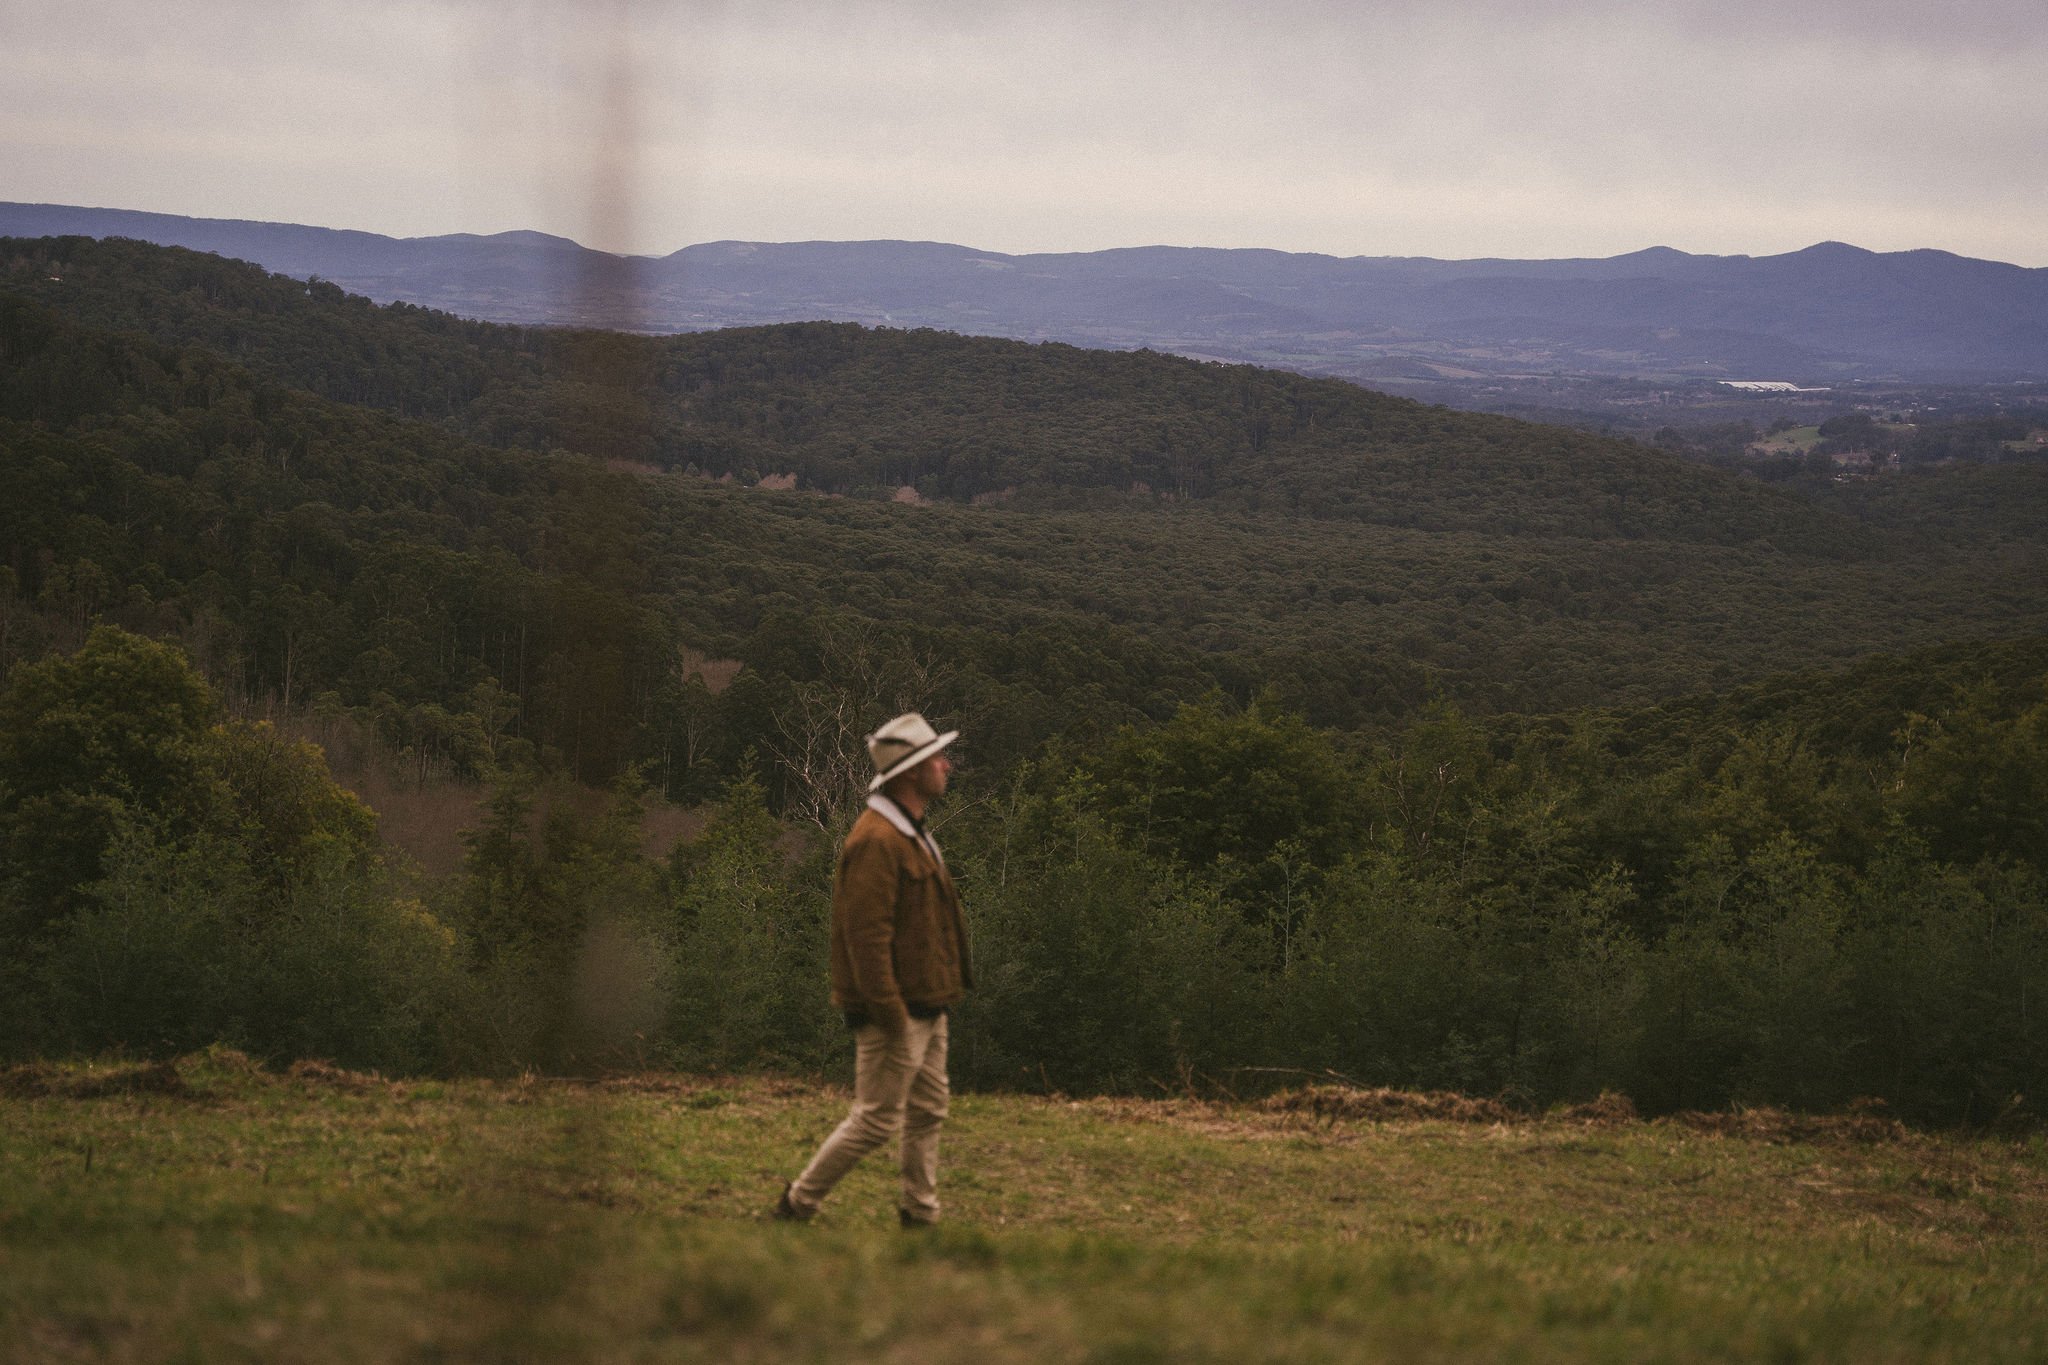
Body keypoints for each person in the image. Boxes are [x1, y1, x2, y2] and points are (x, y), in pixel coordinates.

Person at [773, 711, 972, 1228]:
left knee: (929, 1111)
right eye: (937, 758)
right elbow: (865, 939)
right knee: (877, 1120)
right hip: (896, 1011)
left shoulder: (910, 832)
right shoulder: (876, 841)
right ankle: (796, 1205)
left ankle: (919, 1215)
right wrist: (890, 1014)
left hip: (928, 1003)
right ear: (911, 771)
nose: (946, 766)